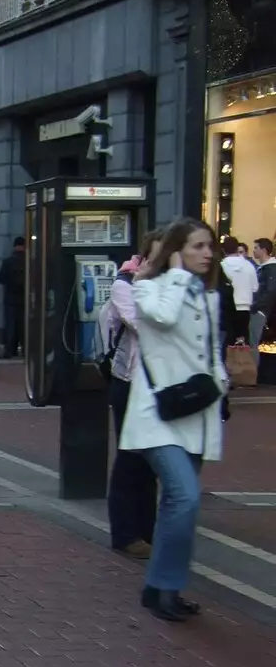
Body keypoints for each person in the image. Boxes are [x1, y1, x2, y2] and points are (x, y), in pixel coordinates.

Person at [119, 217, 230, 624]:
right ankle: (165, 584)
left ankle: (162, 588)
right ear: (177, 251)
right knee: (185, 497)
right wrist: (176, 275)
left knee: (174, 504)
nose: (207, 253)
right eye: (198, 246)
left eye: (209, 246)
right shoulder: (149, 288)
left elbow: (210, 351)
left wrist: (221, 384)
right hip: (156, 415)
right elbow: (162, 318)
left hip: (196, 413)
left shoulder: (211, 295)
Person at [104, 239, 163, 559]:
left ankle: (148, 530)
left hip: (161, 383)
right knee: (130, 456)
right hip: (130, 381)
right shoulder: (125, 285)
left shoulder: (171, 286)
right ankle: (125, 532)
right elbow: (143, 325)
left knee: (152, 459)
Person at [220, 235, 257, 344]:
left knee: (227, 343)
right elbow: (255, 287)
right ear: (237, 248)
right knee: (243, 343)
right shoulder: (248, 265)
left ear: (223, 250)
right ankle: (244, 362)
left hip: (227, 309)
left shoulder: (221, 266)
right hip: (245, 308)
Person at [0, 236, 26, 359]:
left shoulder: (8, 261)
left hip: (10, 298)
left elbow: (1, 279)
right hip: (26, 298)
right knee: (24, 324)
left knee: (10, 325)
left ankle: (10, 349)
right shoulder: (30, 260)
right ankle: (25, 349)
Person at [252, 237, 276, 348]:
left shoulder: (271, 269)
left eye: (256, 248)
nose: (253, 250)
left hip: (261, 311)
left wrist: (257, 307)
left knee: (253, 342)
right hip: (258, 309)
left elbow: (270, 291)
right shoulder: (261, 268)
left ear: (264, 250)